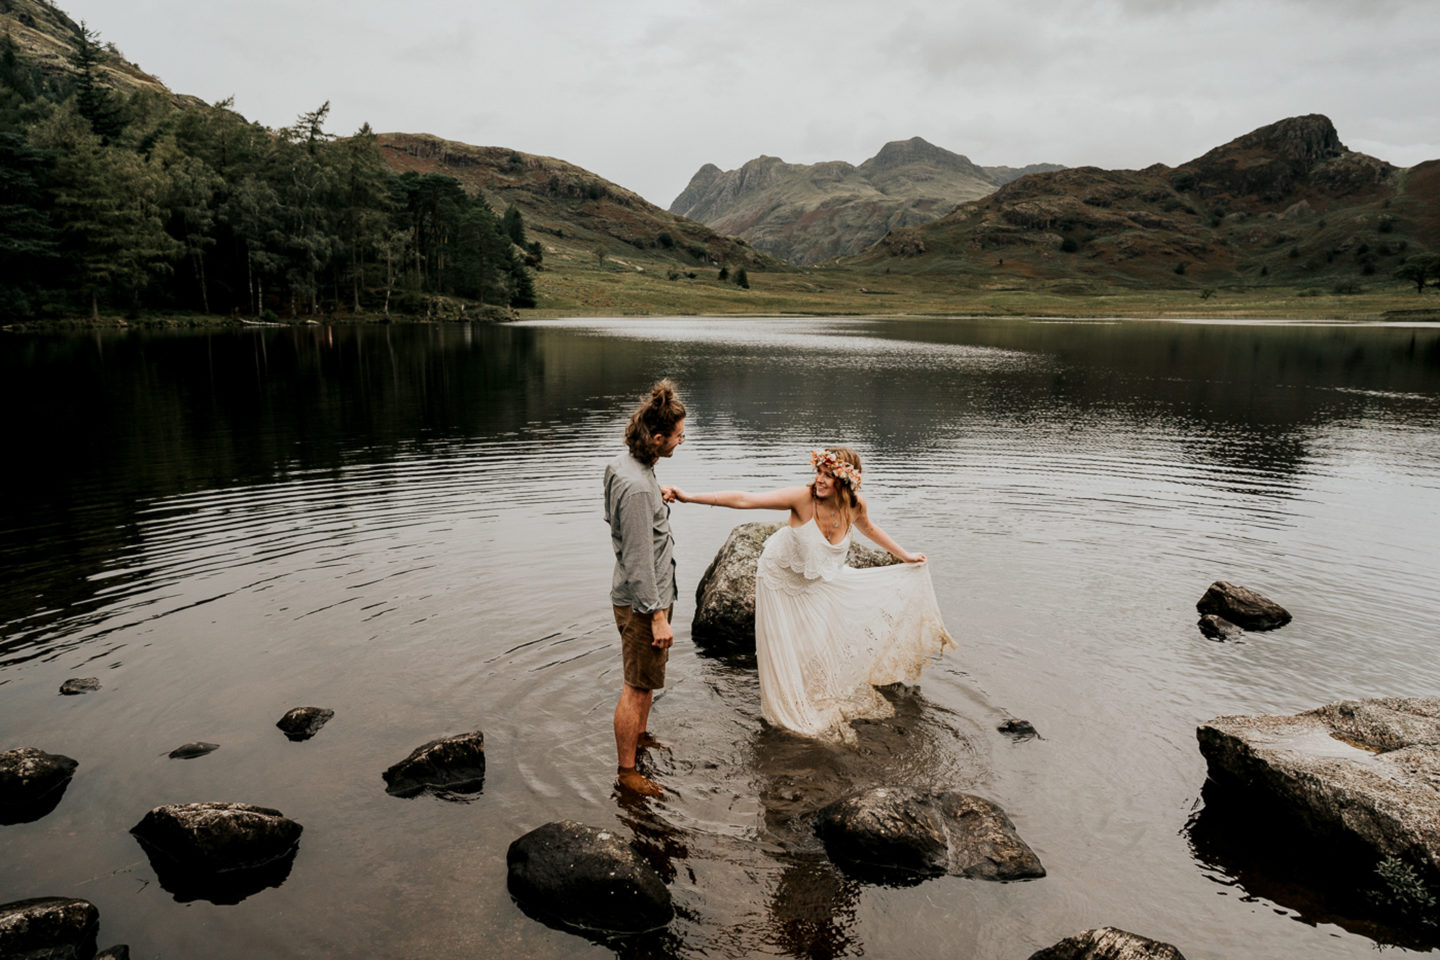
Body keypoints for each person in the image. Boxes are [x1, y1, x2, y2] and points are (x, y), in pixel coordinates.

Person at [666, 447, 953, 743]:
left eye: (829, 475)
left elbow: (869, 527)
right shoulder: (802, 499)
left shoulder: (855, 505)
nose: (820, 479)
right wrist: (688, 496)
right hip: (779, 578)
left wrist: (904, 555)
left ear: (845, 481)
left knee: (818, 641)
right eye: (819, 472)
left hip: (816, 578)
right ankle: (790, 706)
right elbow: (745, 499)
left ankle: (817, 696)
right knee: (785, 646)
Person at [603, 380, 686, 796]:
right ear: (657, 438)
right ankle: (627, 772)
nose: (681, 441)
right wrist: (657, 616)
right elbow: (637, 557)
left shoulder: (626, 468)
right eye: (678, 436)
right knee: (636, 687)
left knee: (646, 682)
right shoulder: (637, 486)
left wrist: (655, 502)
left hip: (643, 595)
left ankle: (639, 739)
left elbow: (620, 525)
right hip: (643, 603)